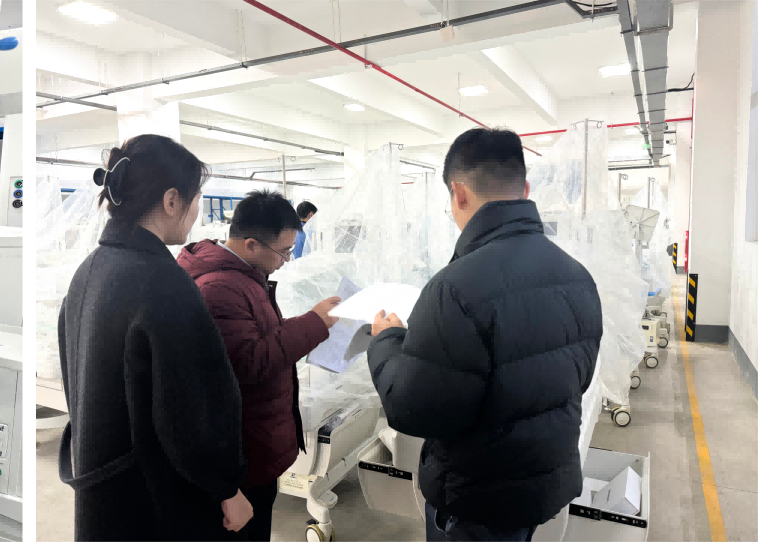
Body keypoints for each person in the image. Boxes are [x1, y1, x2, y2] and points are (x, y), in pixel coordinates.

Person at [366, 127, 600, 542]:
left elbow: (415, 411)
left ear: (458, 194)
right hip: (540, 483)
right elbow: (575, 379)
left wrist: (387, 340)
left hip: (476, 499)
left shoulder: (454, 288)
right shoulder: (577, 277)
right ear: (524, 189)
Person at [57, 134, 251, 540]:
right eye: (196, 198)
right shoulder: (164, 284)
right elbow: (191, 411)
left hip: (102, 490)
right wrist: (227, 487)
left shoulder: (90, 270)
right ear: (171, 201)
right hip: (155, 502)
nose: (197, 210)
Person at [176, 189, 342, 542]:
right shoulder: (220, 288)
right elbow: (248, 363)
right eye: (283, 252)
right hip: (243, 450)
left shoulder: (244, 279)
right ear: (251, 245)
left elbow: (258, 334)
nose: (286, 260)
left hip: (256, 444)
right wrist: (313, 324)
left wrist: (311, 319)